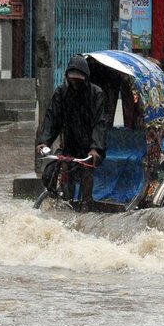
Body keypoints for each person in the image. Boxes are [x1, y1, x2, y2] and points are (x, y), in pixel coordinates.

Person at [35, 55, 108, 211]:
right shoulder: (61, 92)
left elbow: (99, 123)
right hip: (69, 144)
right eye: (72, 79)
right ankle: (60, 199)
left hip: (90, 148)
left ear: (85, 78)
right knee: (50, 173)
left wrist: (95, 148)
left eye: (78, 80)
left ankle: (86, 205)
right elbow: (52, 118)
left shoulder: (96, 94)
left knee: (86, 171)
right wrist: (44, 141)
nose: (75, 83)